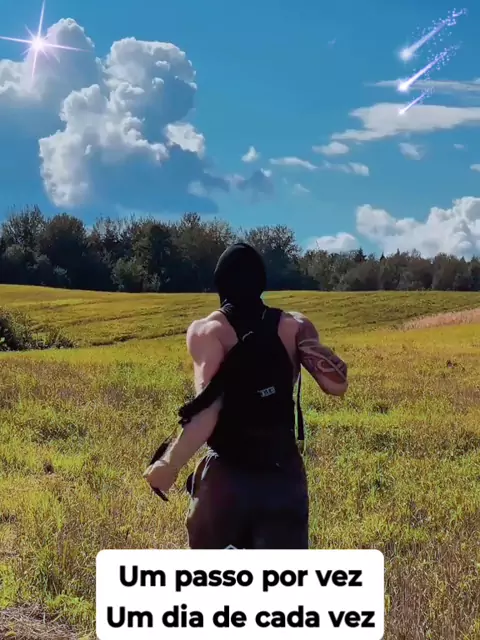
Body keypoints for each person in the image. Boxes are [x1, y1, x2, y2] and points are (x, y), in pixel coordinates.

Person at [144, 243, 348, 549]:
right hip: (283, 473)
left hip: (227, 476)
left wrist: (169, 465)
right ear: (262, 281)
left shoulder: (208, 331)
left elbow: (207, 411)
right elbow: (337, 386)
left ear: (220, 284)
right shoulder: (294, 326)